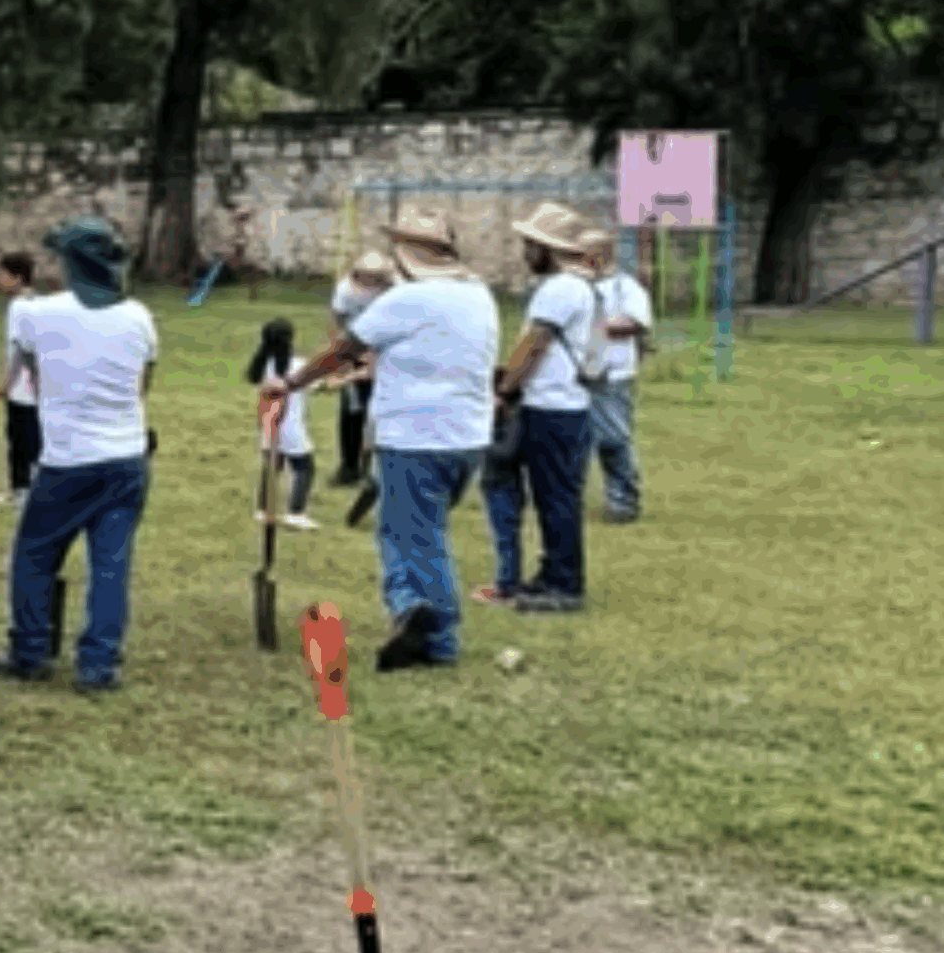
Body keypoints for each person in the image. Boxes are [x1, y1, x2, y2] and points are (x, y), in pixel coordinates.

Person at [262, 210, 498, 672]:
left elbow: (344, 348)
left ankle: (430, 628)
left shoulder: (405, 300)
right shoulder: (480, 296)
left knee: (411, 533)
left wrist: (293, 383)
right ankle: (416, 613)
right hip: (468, 436)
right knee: (422, 530)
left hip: (415, 434)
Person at [0, 218, 158, 695]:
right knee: (111, 564)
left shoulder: (35, 314)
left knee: (35, 554)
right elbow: (142, 385)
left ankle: (30, 651)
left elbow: (31, 375)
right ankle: (99, 666)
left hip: (67, 458)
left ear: (69, 264)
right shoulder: (139, 316)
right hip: (126, 455)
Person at [481, 202, 602, 616]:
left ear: (548, 248)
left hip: (553, 407)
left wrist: (506, 389)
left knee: (556, 499)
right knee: (553, 495)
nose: (525, 251)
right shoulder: (576, 286)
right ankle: (552, 573)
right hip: (560, 404)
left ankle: (565, 585)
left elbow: (533, 345)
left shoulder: (559, 289)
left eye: (530, 244)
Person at [583, 227, 652, 523]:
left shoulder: (624, 287)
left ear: (599, 256)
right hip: (577, 374)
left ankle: (623, 501)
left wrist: (590, 325)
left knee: (613, 439)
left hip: (611, 375)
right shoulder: (576, 286)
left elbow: (636, 322)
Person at [327, 251, 396, 486]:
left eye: (375, 279)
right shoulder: (346, 290)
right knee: (351, 412)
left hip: (388, 356)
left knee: (381, 414)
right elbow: (338, 322)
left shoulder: (397, 291)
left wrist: (377, 356)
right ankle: (349, 468)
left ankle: (375, 472)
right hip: (354, 352)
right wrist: (343, 358)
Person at [244, 317, 319, 531]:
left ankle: (262, 508)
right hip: (291, 423)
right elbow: (316, 384)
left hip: (268, 421)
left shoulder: (261, 365)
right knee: (305, 467)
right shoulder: (298, 365)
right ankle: (296, 512)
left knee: (272, 465)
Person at [0, 249, 43, 508]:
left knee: (19, 439)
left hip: (23, 386)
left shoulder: (19, 307)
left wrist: (7, 384)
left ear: (18, 278)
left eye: (3, 275)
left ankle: (21, 490)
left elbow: (20, 350)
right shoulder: (40, 303)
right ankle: (32, 487)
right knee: (34, 437)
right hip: (39, 387)